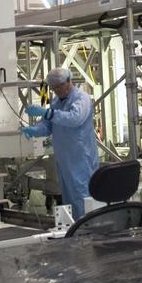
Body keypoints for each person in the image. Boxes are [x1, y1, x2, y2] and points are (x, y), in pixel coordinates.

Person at [21, 67, 99, 220]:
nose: (56, 90)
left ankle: (88, 229)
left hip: (81, 158)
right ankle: (75, 229)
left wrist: (47, 113)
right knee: (69, 196)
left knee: (82, 195)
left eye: (59, 86)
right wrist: (35, 130)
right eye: (53, 88)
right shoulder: (57, 102)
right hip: (64, 159)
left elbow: (74, 119)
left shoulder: (81, 99)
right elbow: (48, 124)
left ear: (69, 82)